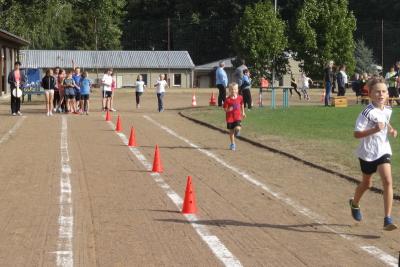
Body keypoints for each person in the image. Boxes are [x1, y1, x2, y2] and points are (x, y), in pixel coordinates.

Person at [349, 76, 398, 231]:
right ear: (370, 94)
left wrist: (390, 129)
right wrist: (375, 129)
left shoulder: (388, 108)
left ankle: (387, 219)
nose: (381, 94)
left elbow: (385, 119)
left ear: (388, 94)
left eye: (384, 91)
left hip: (383, 150)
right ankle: (354, 203)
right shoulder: (366, 112)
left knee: (388, 181)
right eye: (377, 92)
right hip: (367, 153)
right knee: (367, 184)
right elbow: (356, 134)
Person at [223, 82, 245, 151]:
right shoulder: (227, 100)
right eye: (232, 89)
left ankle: (237, 131)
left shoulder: (240, 97)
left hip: (237, 117)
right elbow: (225, 109)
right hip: (230, 118)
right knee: (231, 132)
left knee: (238, 128)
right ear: (229, 90)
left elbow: (242, 104)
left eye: (235, 89)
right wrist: (228, 109)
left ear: (237, 90)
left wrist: (243, 112)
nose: (234, 91)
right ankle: (232, 144)